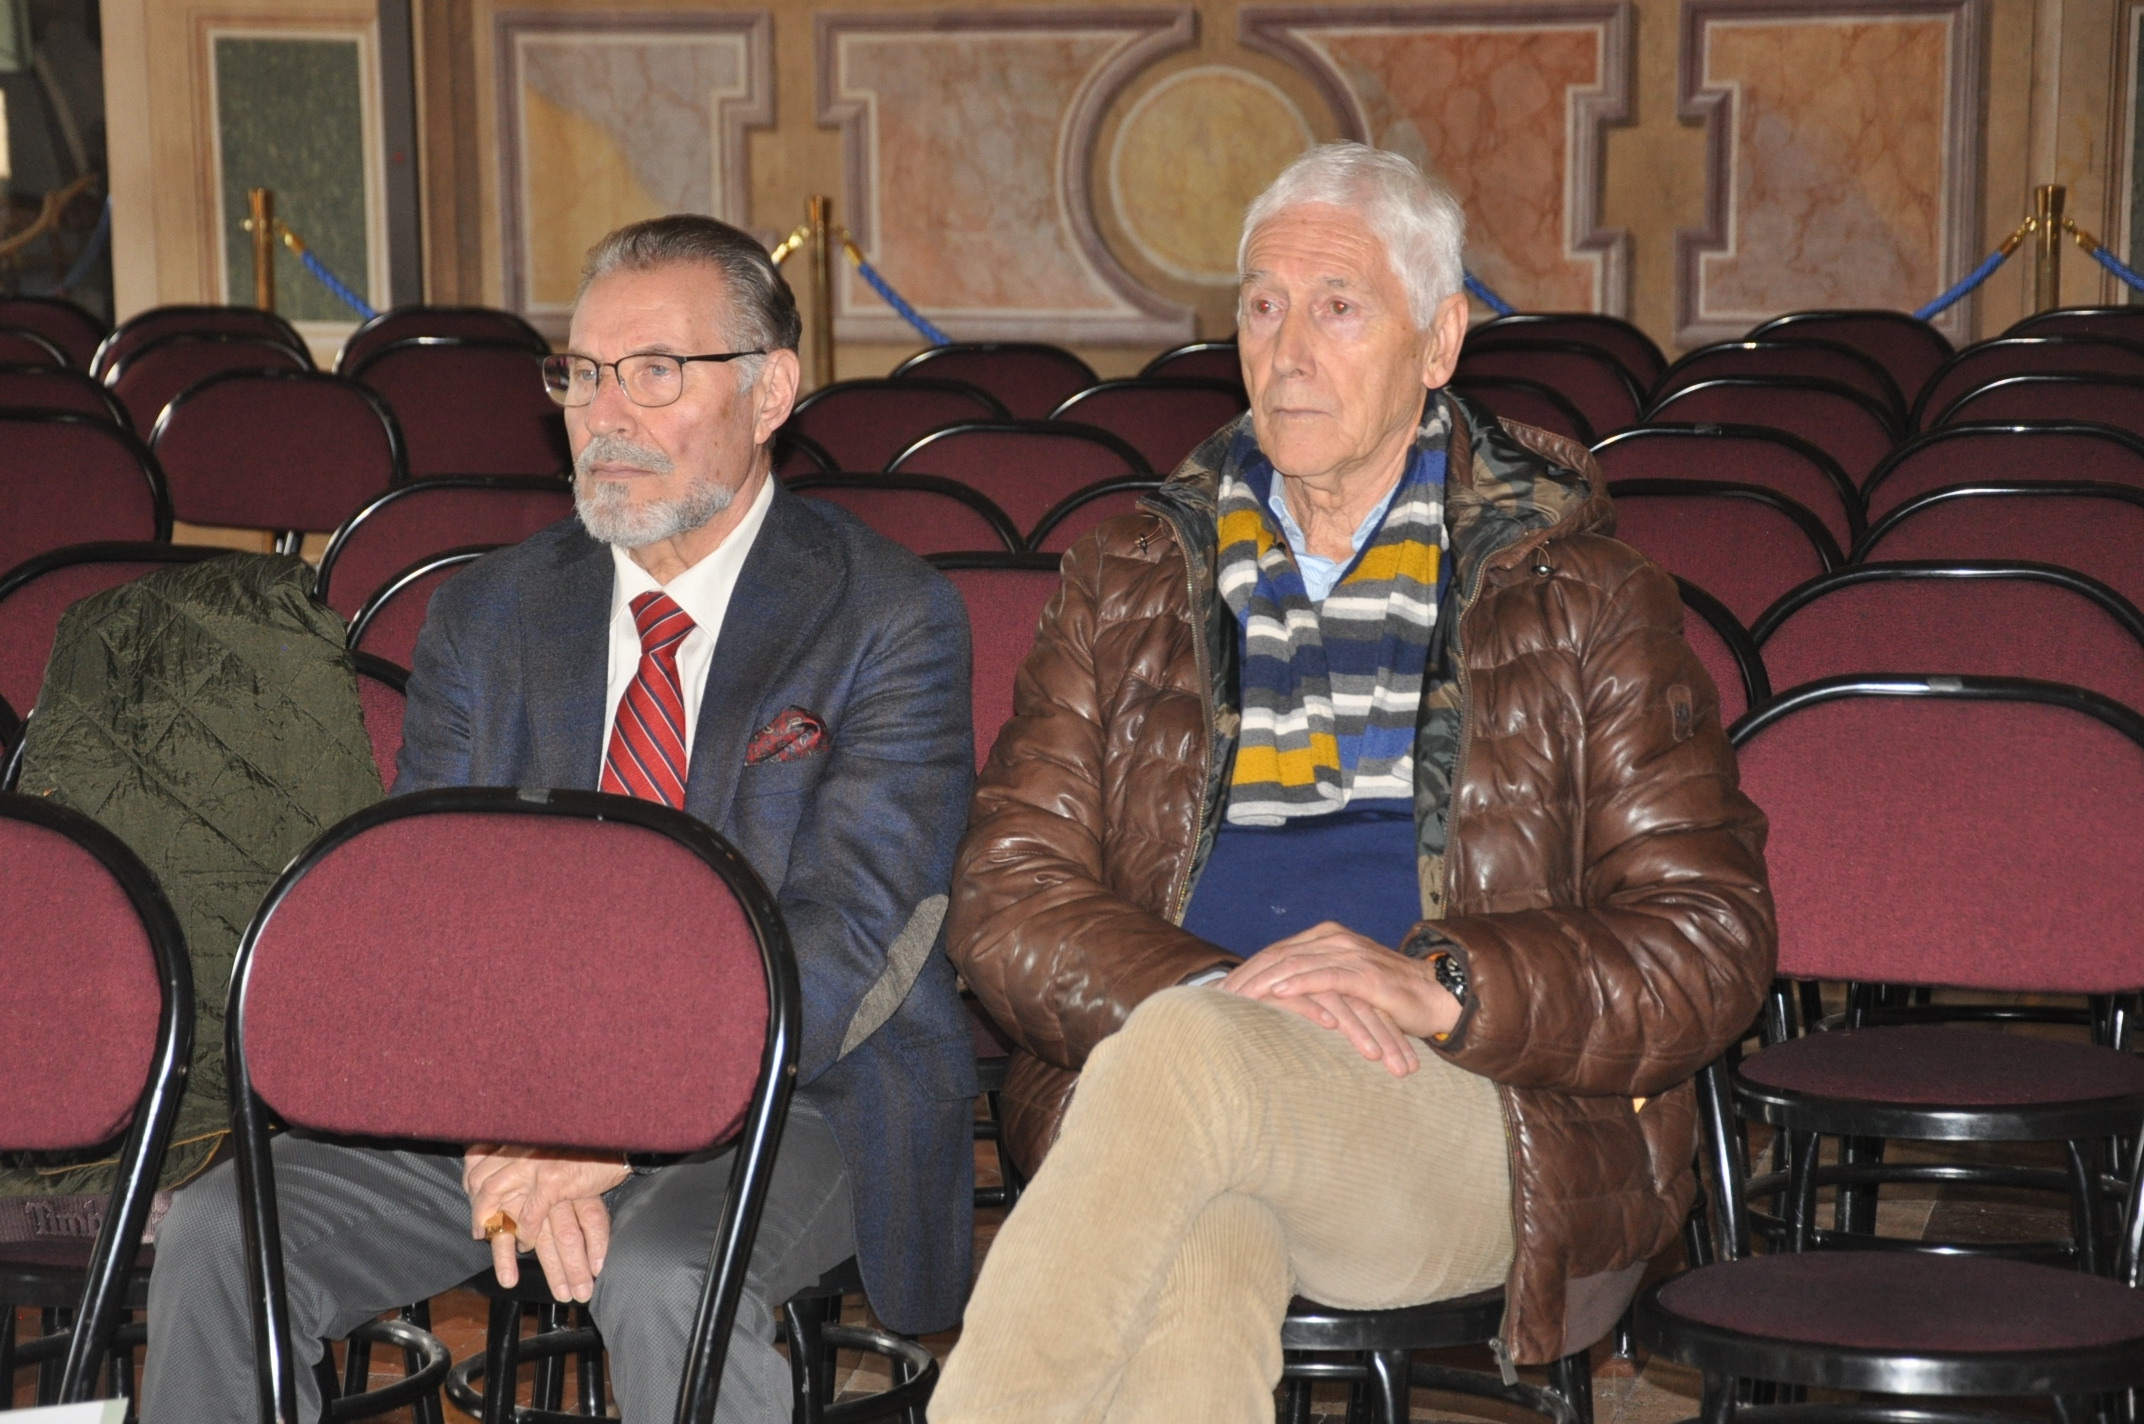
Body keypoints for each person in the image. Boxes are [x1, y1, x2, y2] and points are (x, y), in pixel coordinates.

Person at [932, 143, 1775, 1423]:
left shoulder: (1581, 596)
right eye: (1261, 307)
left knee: (1188, 1074)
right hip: (1166, 1082)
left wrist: (1444, 983)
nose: (1285, 351)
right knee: (1202, 1249)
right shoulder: (1128, 575)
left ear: (1438, 341)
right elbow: (1006, 893)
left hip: (1481, 1111)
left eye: (1336, 307)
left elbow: (1707, 941)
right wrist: (1222, 995)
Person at [142, 215, 978, 1422]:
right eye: (582, 373)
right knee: (223, 1234)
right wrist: (511, 1119)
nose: (603, 414)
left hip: (804, 1084)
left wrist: (618, 1122)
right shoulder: (490, 611)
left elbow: (848, 930)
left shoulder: (887, 614)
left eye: (654, 372)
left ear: (769, 391)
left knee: (662, 1276)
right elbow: (424, 903)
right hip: (504, 1087)